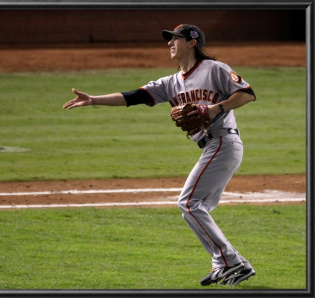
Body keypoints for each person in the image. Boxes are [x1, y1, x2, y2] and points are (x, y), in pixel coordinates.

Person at [63, 24, 256, 286]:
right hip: (213, 146)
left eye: (175, 39)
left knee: (188, 203)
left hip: (223, 142)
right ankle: (223, 261)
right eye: (169, 40)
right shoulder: (171, 82)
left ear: (192, 42)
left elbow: (247, 94)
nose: (169, 43)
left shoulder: (215, 69)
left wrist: (215, 108)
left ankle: (231, 261)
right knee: (198, 207)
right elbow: (136, 96)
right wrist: (94, 99)